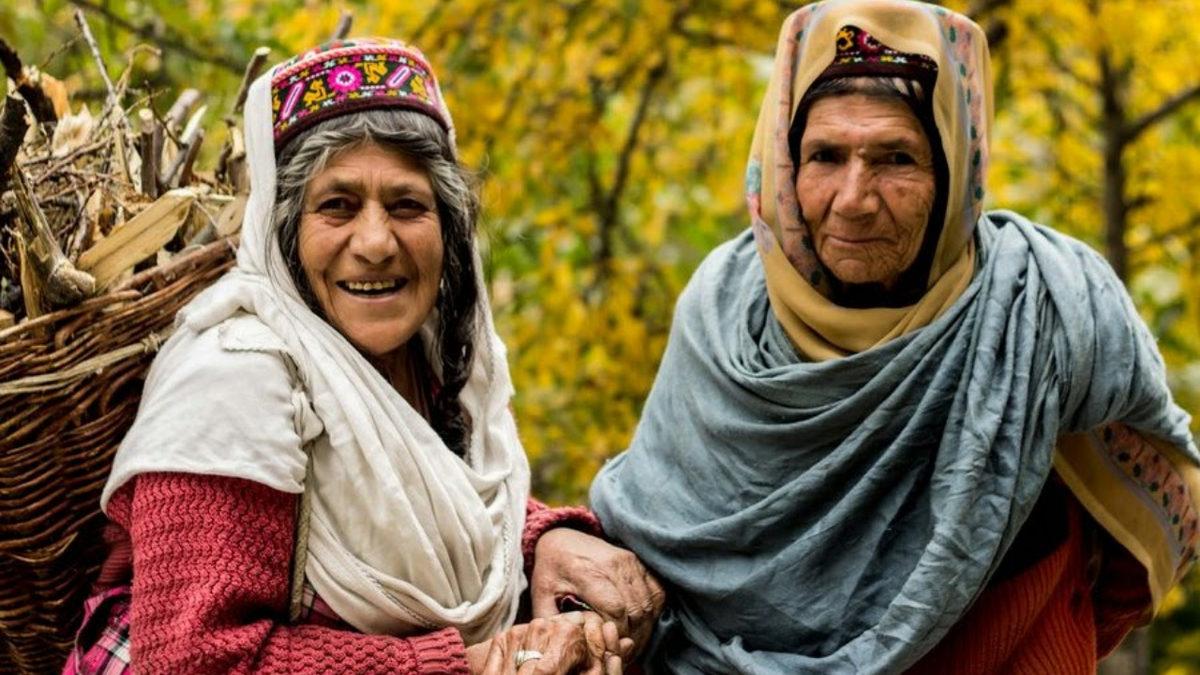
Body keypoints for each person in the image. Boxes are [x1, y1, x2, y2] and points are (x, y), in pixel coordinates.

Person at [589, 1, 1200, 673]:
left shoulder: (1045, 304)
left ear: (954, 173)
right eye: (825, 155)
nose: (854, 197)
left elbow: (1161, 511)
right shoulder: (723, 316)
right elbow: (650, 540)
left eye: (896, 159)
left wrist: (1053, 633)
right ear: (785, 166)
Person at [64, 38, 662, 674]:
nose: (376, 243)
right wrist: (469, 664)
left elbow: (441, 512)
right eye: (337, 206)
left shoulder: (434, 362)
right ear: (285, 233)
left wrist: (547, 540)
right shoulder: (231, 384)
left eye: (407, 205)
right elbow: (195, 662)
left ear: (447, 229)